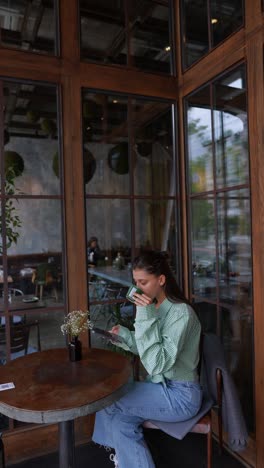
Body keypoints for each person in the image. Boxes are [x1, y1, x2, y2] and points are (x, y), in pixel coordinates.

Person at [92, 250, 202, 468]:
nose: (136, 289)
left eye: (143, 282)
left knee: (108, 399)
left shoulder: (181, 313)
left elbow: (156, 363)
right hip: (161, 389)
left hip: (181, 396)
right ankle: (122, 459)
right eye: (135, 282)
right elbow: (150, 349)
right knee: (122, 422)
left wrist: (143, 314)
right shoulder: (155, 307)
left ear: (161, 280)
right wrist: (124, 337)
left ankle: (120, 458)